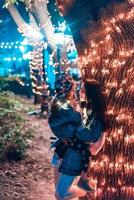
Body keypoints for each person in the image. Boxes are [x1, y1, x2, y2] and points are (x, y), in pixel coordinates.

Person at [48, 72, 104, 199]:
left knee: (60, 194)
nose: (77, 91)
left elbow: (84, 134)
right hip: (61, 152)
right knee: (59, 192)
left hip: (71, 155)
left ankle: (87, 191)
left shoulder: (69, 105)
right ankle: (85, 190)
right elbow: (68, 127)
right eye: (75, 89)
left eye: (79, 89)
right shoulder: (64, 106)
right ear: (68, 90)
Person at [76, 79, 107, 192]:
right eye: (81, 89)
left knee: (83, 149)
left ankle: (83, 179)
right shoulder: (88, 105)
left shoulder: (97, 110)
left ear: (91, 92)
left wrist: (78, 131)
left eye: (84, 89)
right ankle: (83, 178)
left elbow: (95, 132)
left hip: (92, 137)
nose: (81, 91)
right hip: (87, 135)